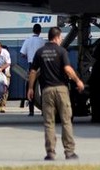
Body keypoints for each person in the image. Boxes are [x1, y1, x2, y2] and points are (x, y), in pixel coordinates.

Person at [28, 26, 84, 161]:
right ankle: (69, 152)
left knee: (49, 122)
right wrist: (78, 81)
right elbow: (67, 69)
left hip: (46, 90)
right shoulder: (61, 51)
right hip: (61, 90)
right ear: (57, 37)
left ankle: (50, 153)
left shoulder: (40, 52)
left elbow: (33, 71)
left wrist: (30, 88)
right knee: (66, 121)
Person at [20, 24, 45, 116]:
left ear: (33, 30)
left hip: (32, 65)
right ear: (40, 31)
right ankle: (43, 110)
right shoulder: (42, 41)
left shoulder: (28, 41)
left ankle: (31, 111)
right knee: (43, 88)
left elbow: (22, 54)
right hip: (41, 66)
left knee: (31, 88)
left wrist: (29, 56)